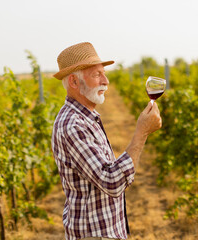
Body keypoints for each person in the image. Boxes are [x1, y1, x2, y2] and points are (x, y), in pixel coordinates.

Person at [51, 42, 162, 240]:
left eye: (104, 73)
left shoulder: (87, 117)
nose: (106, 81)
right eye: (97, 75)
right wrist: (141, 132)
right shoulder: (73, 125)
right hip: (93, 234)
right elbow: (111, 181)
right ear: (74, 82)